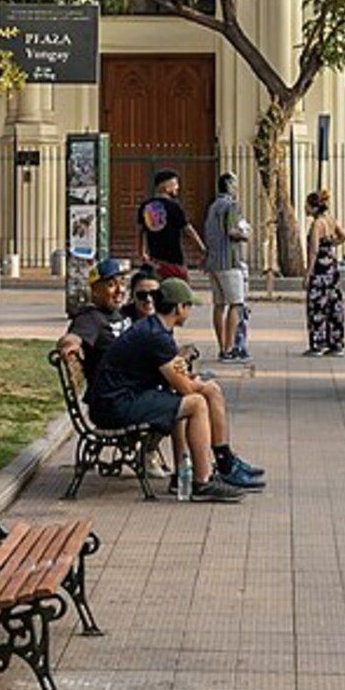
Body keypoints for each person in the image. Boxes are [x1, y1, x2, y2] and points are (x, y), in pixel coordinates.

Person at [92, 277, 265, 499]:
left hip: (123, 397)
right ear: (178, 308)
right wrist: (196, 382)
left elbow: (171, 373)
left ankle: (223, 462)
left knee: (207, 392)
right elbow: (184, 388)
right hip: (115, 405)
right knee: (196, 403)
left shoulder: (156, 328)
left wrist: (193, 378)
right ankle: (202, 482)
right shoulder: (156, 335)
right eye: (188, 306)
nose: (190, 311)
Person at [55, 257, 130, 390]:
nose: (120, 290)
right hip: (115, 396)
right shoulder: (91, 318)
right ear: (95, 290)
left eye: (122, 283)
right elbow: (75, 337)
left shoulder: (122, 312)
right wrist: (69, 344)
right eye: (111, 285)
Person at [203, 172, 251, 361]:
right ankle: (229, 348)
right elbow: (232, 231)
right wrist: (244, 235)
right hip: (229, 261)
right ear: (230, 186)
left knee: (219, 305)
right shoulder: (231, 206)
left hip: (214, 261)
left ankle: (222, 345)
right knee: (236, 304)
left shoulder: (213, 206)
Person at [136, 168, 206, 281]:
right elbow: (188, 230)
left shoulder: (146, 206)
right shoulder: (174, 207)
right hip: (174, 261)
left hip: (154, 261)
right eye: (175, 184)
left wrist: (141, 252)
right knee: (179, 292)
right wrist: (202, 249)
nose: (177, 188)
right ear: (166, 187)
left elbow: (140, 231)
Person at [304, 188, 345, 355]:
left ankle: (318, 344)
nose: (305, 208)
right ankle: (336, 344)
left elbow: (313, 250)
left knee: (317, 307)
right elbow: (344, 236)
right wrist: (330, 245)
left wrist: (308, 273)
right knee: (334, 306)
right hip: (332, 269)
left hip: (320, 270)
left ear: (314, 207)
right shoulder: (330, 220)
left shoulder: (317, 224)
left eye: (306, 205)